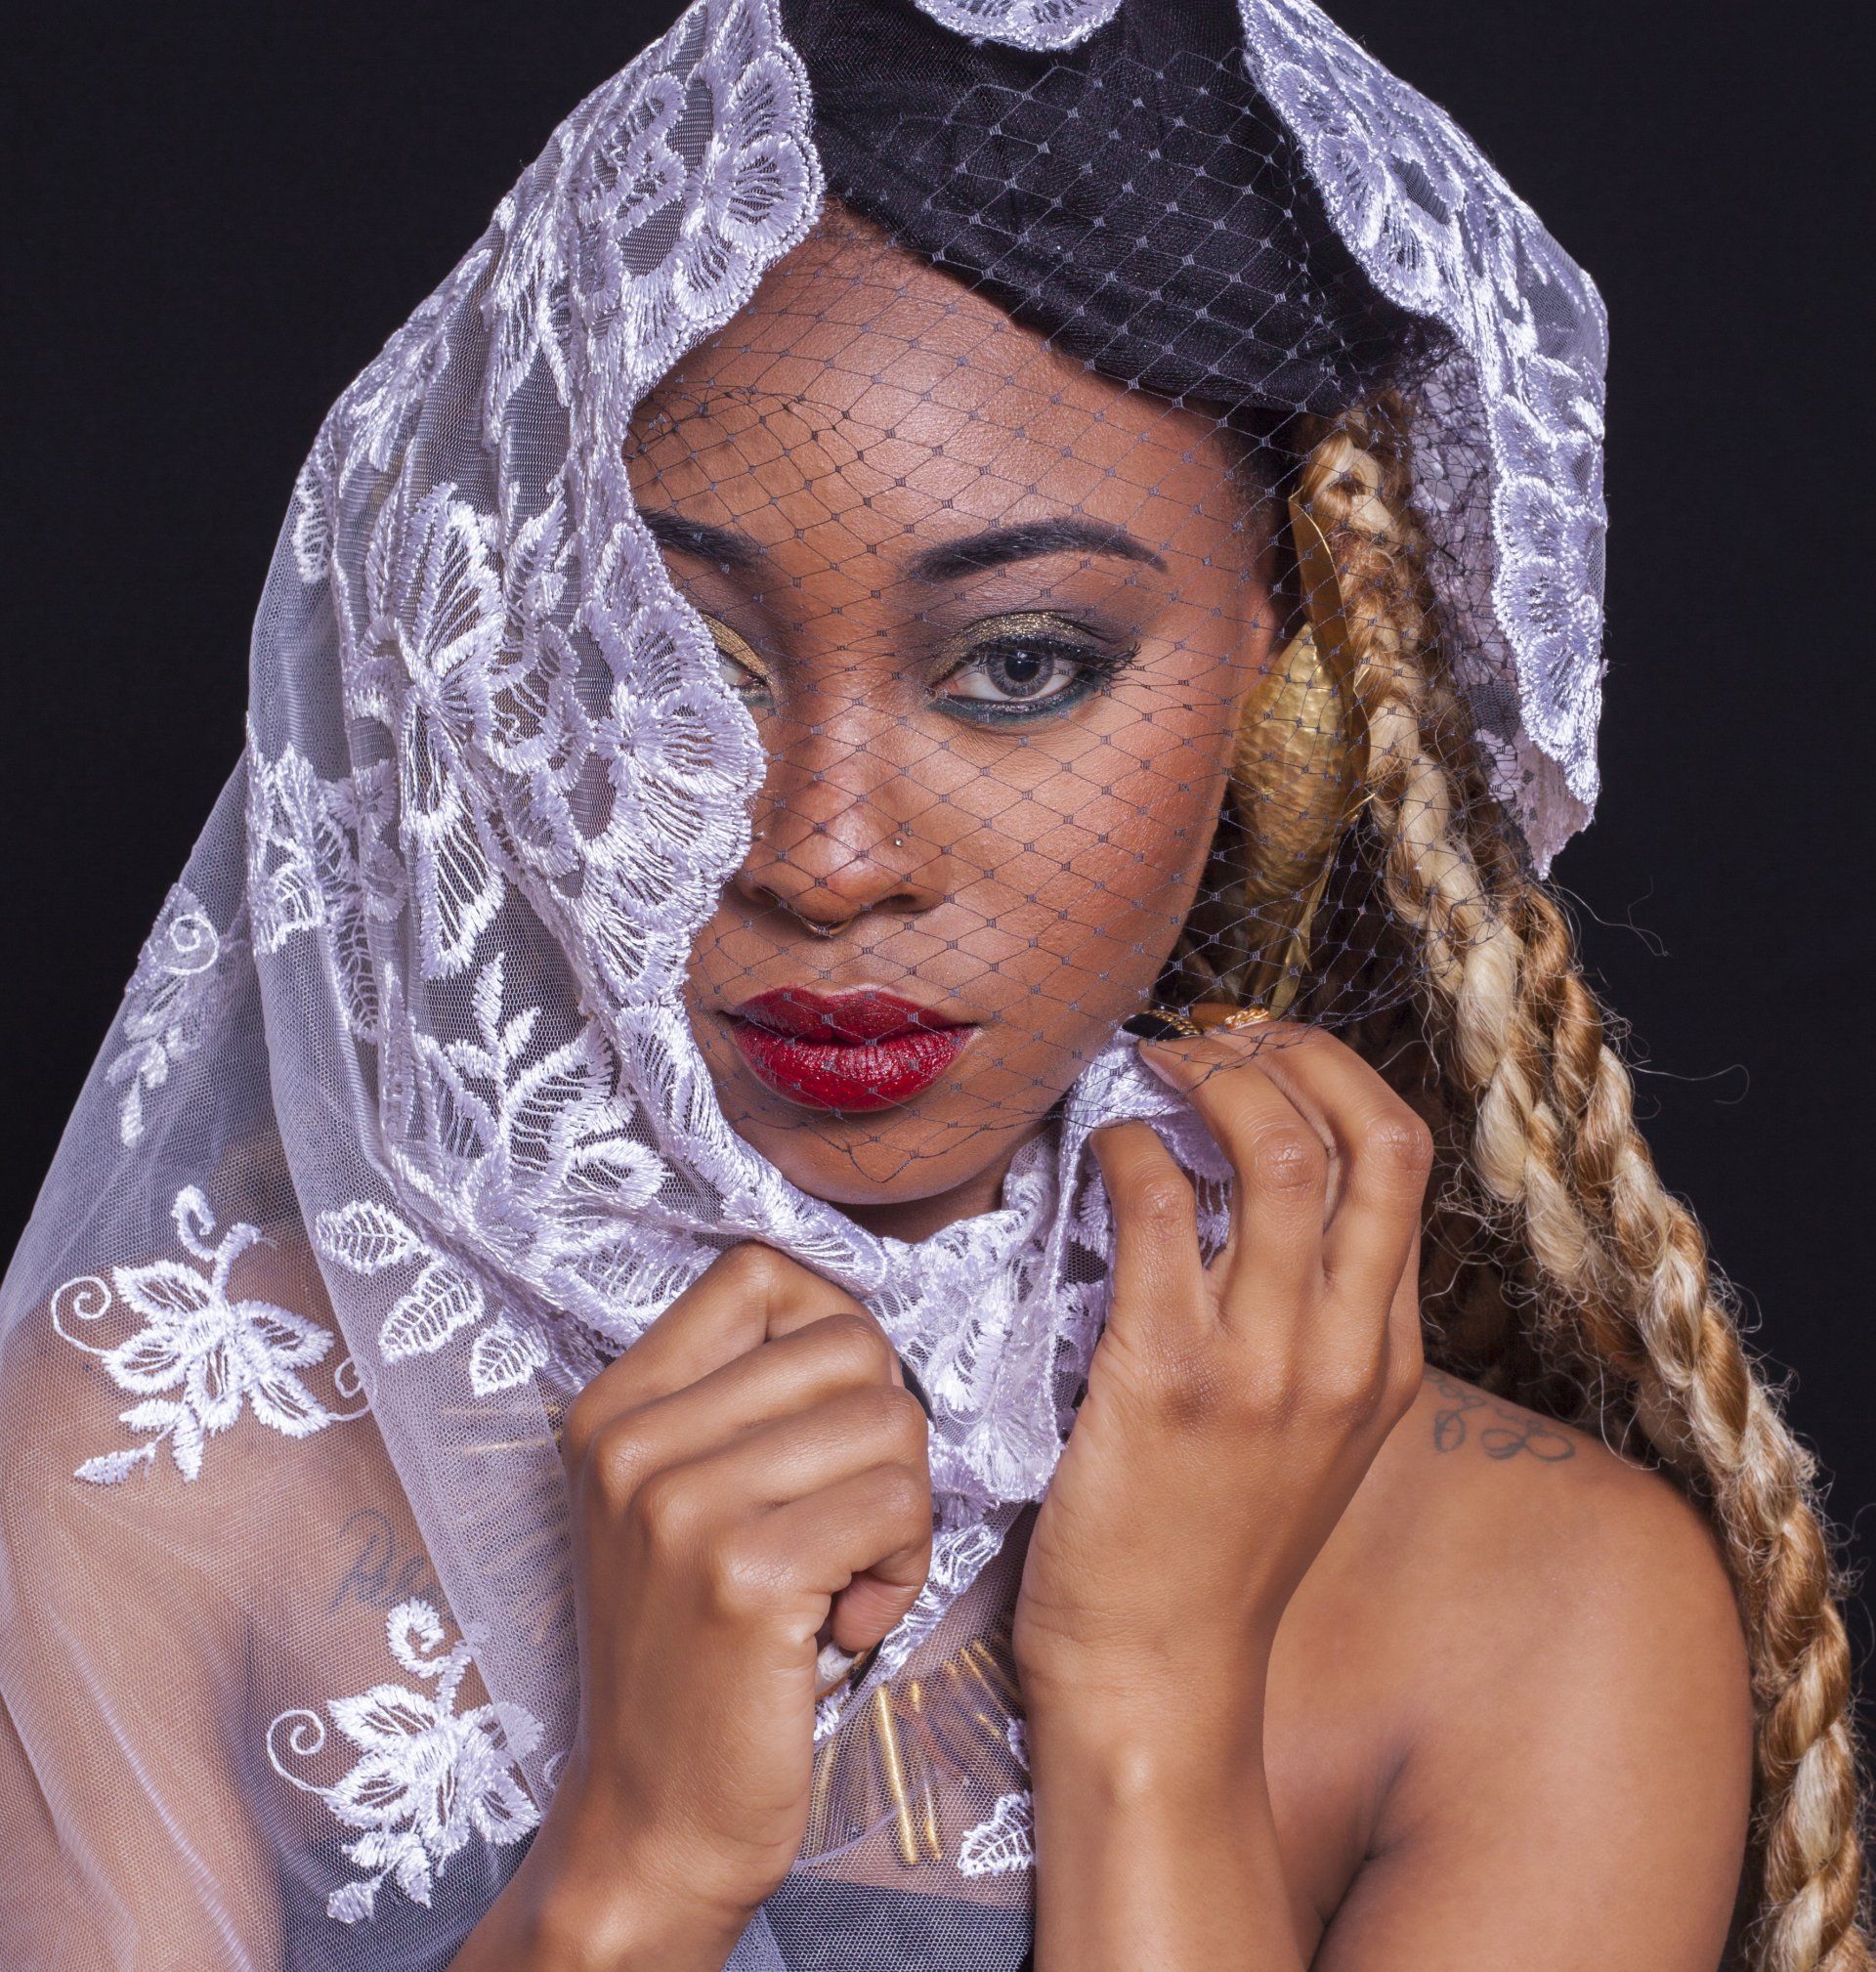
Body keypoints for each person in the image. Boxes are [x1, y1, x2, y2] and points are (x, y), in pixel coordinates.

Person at [0, 2, 1862, 1968]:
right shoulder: (156, 1457)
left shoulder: (1535, 1604)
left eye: (1022, 665)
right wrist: (631, 1864)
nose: (822, 849)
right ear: (496, 657)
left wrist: (1154, 1709)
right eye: (683, 663)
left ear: (1281, 679)